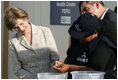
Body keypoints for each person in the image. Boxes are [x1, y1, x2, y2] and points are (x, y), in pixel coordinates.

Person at [54, 12, 116, 79]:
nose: (80, 38)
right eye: (77, 34)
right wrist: (63, 64)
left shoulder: (104, 46)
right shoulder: (77, 39)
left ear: (95, 33)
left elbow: (95, 71)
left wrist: (68, 67)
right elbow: (71, 57)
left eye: (83, 36)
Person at [4, 7, 59, 79]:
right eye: (16, 27)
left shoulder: (45, 31)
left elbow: (55, 59)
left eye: (21, 23)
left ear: (25, 18)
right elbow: (17, 69)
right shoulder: (13, 42)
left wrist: (47, 77)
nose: (21, 28)